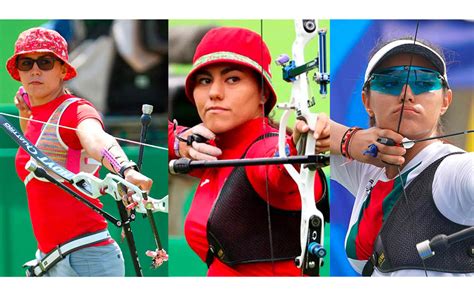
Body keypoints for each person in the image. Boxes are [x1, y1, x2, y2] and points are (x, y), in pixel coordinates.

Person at [168, 27, 330, 276]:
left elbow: (279, 171)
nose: (214, 93)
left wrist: (296, 148)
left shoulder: (264, 148)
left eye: (232, 79)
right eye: (205, 80)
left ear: (263, 94)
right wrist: (176, 142)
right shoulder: (209, 148)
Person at [7, 27, 153, 276]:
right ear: (18, 72)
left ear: (63, 69)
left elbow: (96, 139)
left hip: (87, 259)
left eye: (45, 62)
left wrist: (126, 169)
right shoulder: (34, 111)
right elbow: (35, 146)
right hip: (48, 259)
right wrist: (25, 113)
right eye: (26, 62)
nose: (34, 70)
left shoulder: (75, 111)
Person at [330, 37, 474, 276]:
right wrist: (350, 140)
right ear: (367, 101)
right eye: (390, 82)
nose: (407, 93)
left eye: (424, 82)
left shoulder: (451, 172)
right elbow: (302, 135)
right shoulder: (369, 169)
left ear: (445, 101)